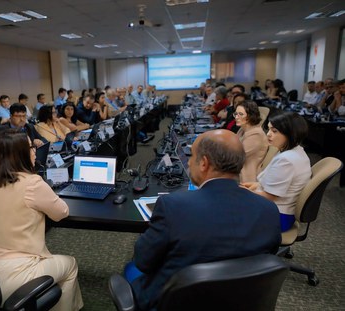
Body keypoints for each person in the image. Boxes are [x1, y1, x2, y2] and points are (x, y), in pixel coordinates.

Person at [127, 129, 281, 311]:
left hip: (174, 302)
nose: (189, 161)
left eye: (191, 156)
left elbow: (143, 260)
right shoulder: (269, 210)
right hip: (240, 301)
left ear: (204, 163)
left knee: (131, 269)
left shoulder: (173, 206)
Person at [0, 129, 83, 310]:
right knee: (70, 264)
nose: (34, 151)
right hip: (15, 273)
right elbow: (61, 212)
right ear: (20, 154)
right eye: (31, 147)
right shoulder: (32, 183)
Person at [242, 112, 311, 232]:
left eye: (274, 131)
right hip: (278, 211)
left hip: (276, 217)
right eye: (268, 129)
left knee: (224, 210)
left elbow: (269, 196)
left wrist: (244, 192)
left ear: (290, 133)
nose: (268, 134)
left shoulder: (287, 160)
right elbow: (279, 186)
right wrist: (256, 186)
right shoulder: (296, 151)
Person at [234, 101, 268, 183]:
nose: (236, 117)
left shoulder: (256, 134)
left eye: (240, 114)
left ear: (250, 116)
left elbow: (236, 156)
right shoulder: (243, 129)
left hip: (245, 178)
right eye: (236, 114)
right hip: (237, 172)